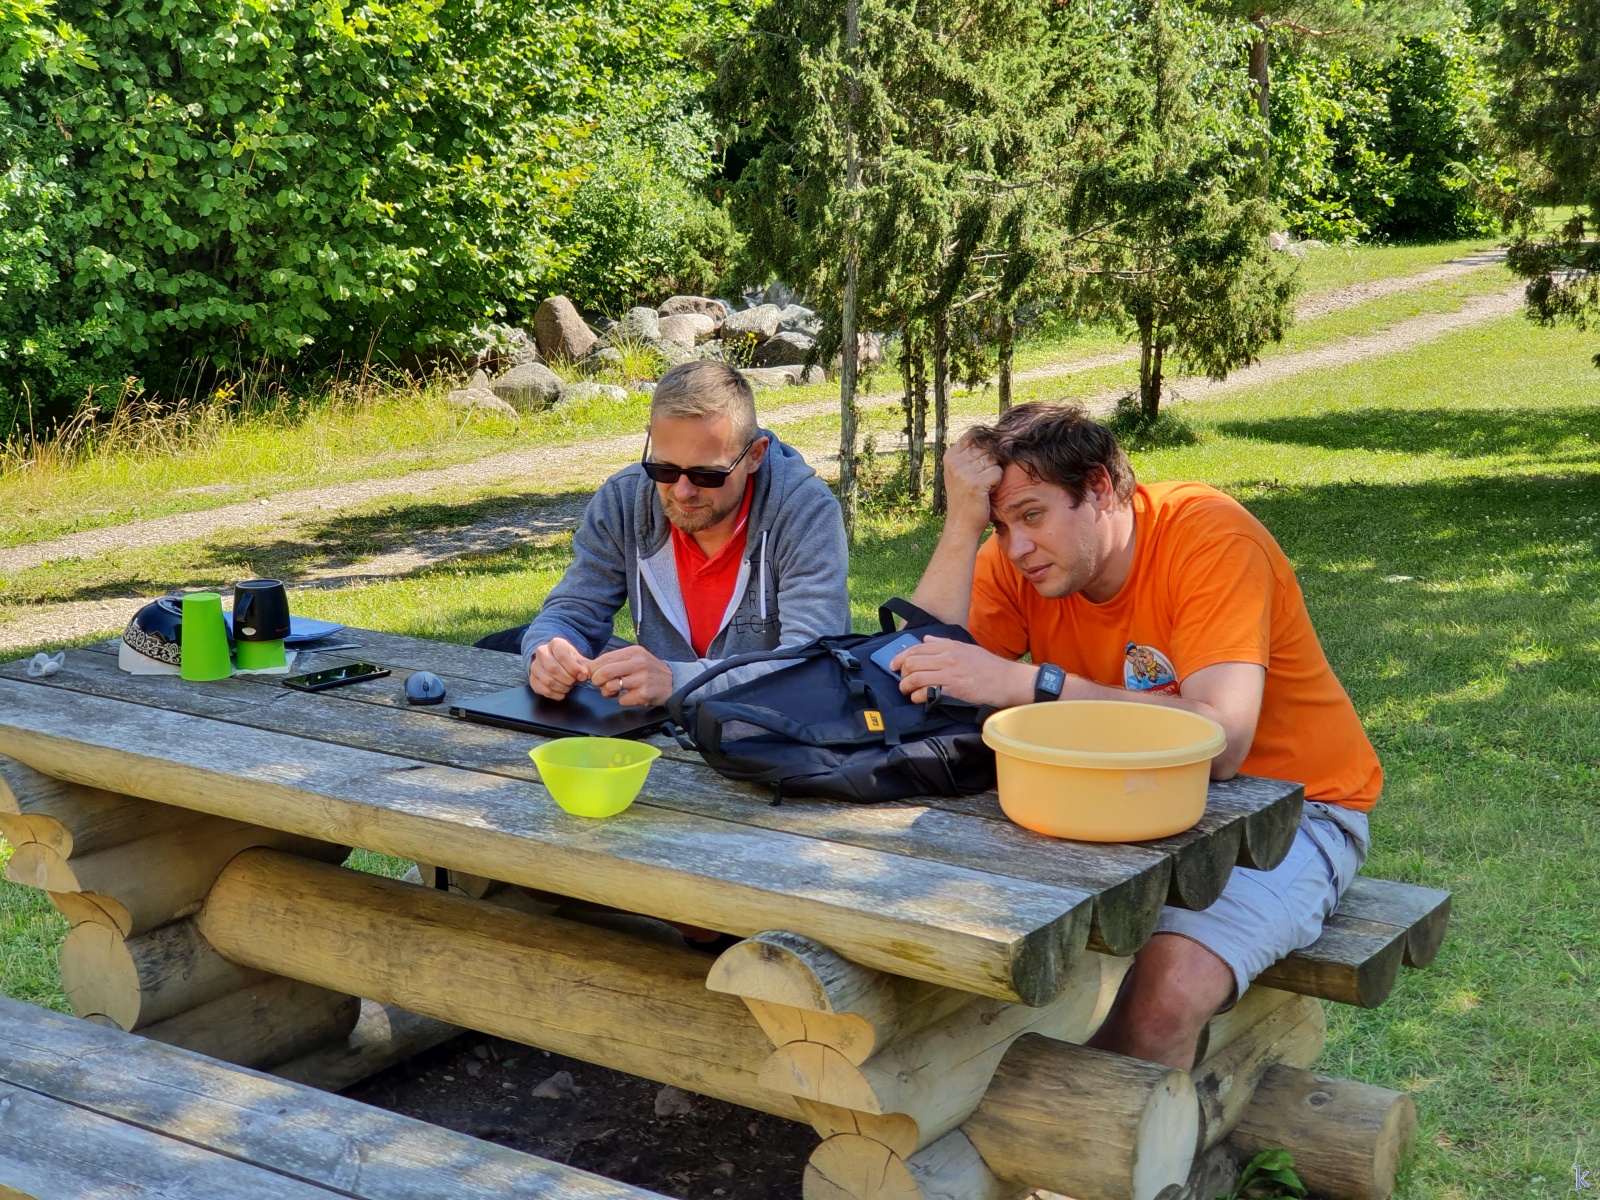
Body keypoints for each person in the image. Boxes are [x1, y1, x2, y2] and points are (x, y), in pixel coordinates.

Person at [894, 401, 1381, 1070]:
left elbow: (1223, 741)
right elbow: (910, 677)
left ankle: (1103, 1137)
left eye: (1032, 516)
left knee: (1165, 998)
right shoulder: (1020, 559)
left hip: (1295, 812)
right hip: (1114, 797)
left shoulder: (1208, 535)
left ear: (1098, 487)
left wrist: (1032, 684)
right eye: (999, 526)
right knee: (952, 939)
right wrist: (959, 526)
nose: (1015, 548)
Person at [482, 359, 851, 710]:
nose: (683, 491)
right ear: (650, 440)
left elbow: (811, 664)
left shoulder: (804, 510)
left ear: (755, 455)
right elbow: (572, 613)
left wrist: (677, 680)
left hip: (771, 730)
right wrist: (548, 651)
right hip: (658, 723)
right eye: (665, 470)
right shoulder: (625, 500)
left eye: (707, 475)